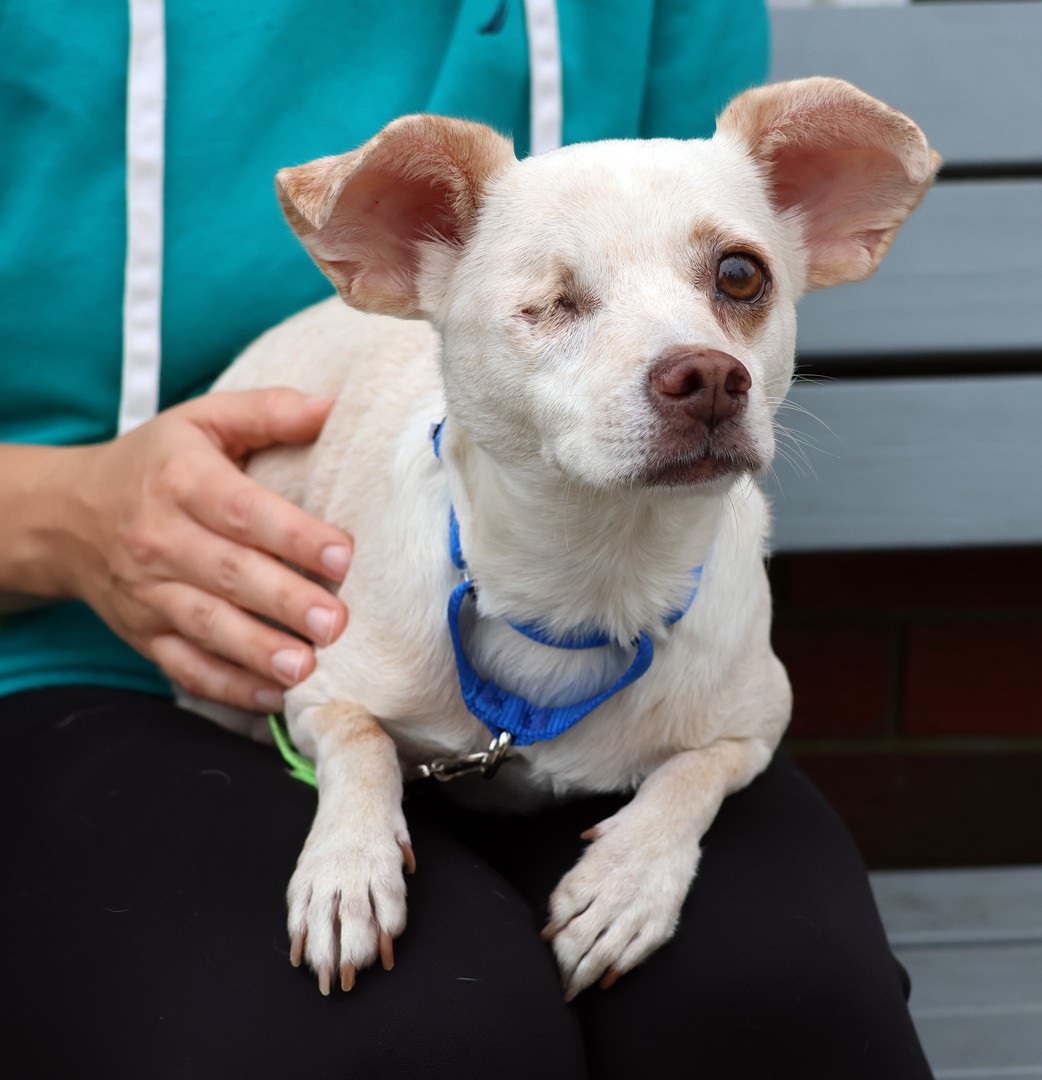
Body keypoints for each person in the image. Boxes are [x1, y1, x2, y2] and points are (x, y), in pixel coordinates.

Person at [0, 1, 935, 1076]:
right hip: (116, 664)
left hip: (648, 650)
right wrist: (63, 511)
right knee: (411, 1030)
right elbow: (336, 691)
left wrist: (668, 827)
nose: (700, 361)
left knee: (787, 1002)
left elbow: (744, 724)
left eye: (735, 282)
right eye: (557, 304)